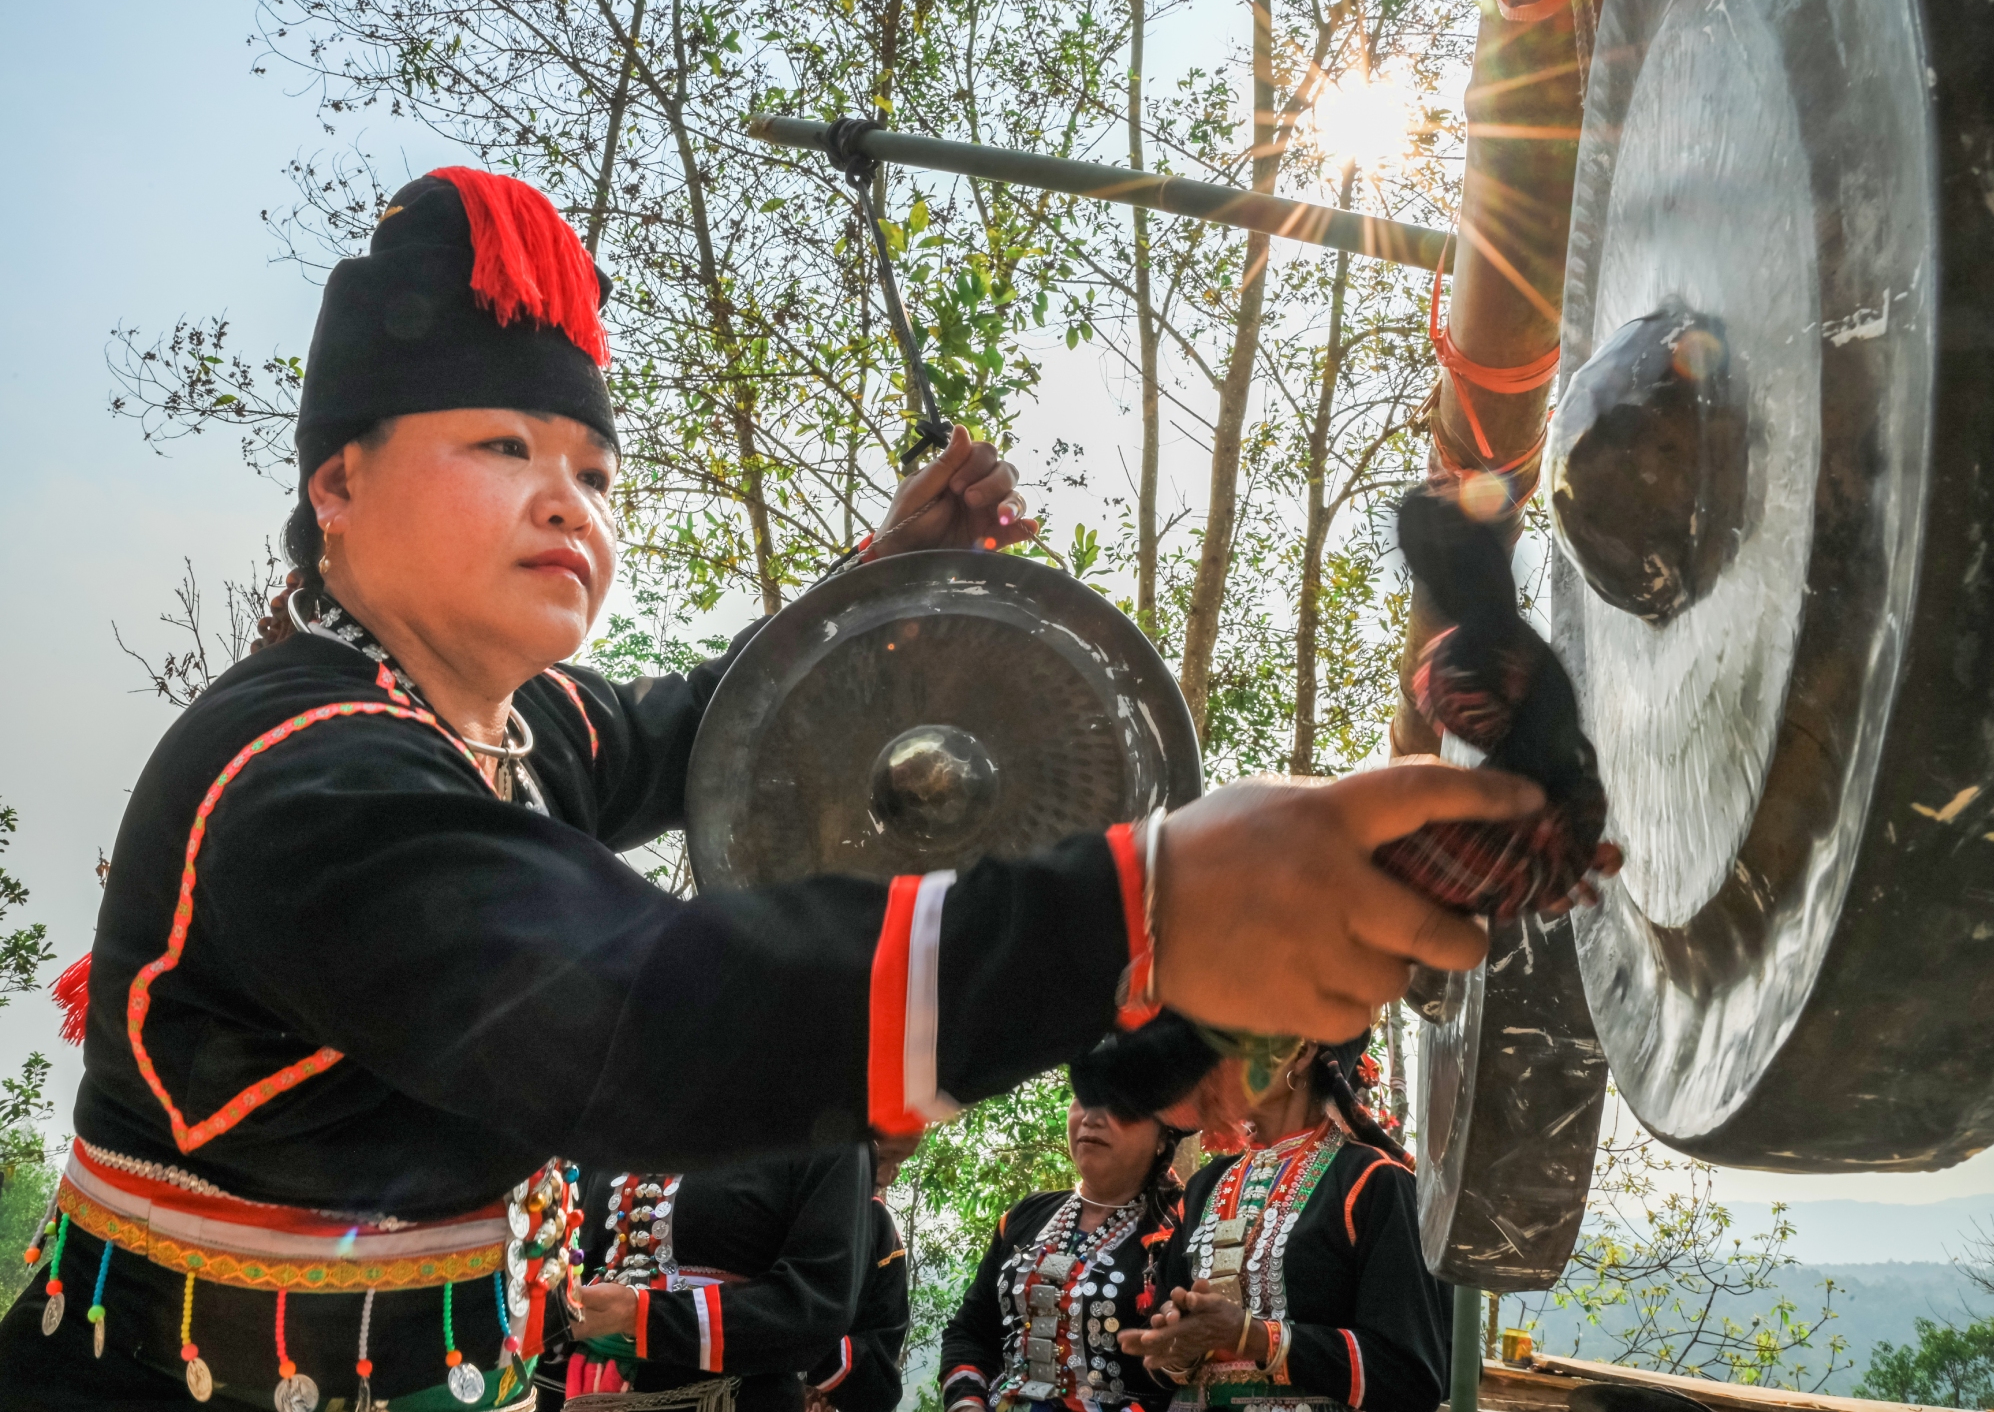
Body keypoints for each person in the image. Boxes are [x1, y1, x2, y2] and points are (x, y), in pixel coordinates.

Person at [0, 164, 1549, 1409]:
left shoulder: (504, 725)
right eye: (498, 445)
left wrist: (884, 582)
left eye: (595, 474)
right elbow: (652, 1014)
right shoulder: (308, 783)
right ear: (336, 485)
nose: (567, 502)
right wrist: (1148, 908)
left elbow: (699, 730)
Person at [1119, 1038, 1451, 1412]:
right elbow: (1162, 1359)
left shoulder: (1374, 1181)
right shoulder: (1203, 1187)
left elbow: (1410, 1376)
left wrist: (1258, 1338)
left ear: (1300, 1050)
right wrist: (1174, 1347)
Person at [938, 1051, 1192, 1412]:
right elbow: (971, 1332)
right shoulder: (1026, 1216)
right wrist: (967, 1405)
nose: (1093, 1117)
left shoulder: (1178, 1229)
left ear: (1164, 1134)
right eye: (1084, 1100)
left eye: (1119, 1104)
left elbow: (1189, 1372)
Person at [549, 1146, 870, 1412]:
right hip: (587, 1392)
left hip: (731, 1398)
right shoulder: (622, 1105)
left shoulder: (824, 1117)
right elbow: (579, 1256)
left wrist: (641, 1314)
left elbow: (819, 1302)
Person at [804, 1138, 915, 1412]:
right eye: (887, 1157)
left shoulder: (880, 1233)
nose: (890, 1176)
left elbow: (881, 1371)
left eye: (900, 1163)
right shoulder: (778, 1202)